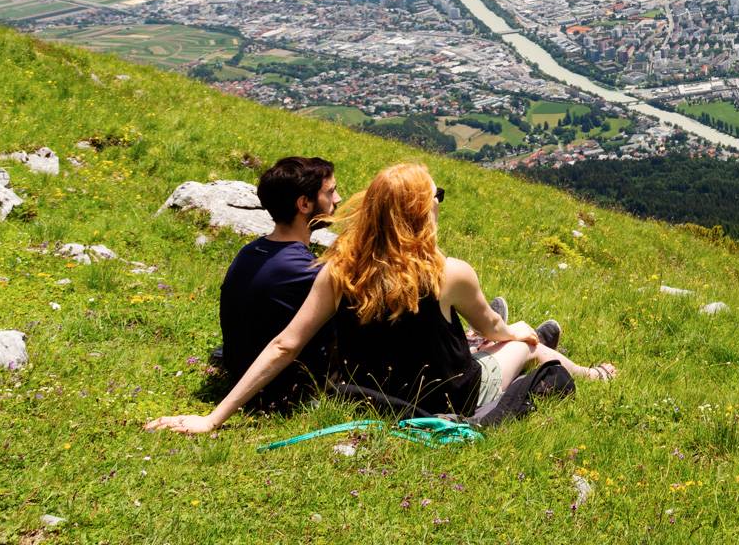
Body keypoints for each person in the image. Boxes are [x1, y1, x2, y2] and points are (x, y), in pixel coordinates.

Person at [148, 162, 613, 434]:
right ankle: (591, 373)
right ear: (419, 209)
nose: (438, 203)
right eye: (437, 196)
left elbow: (285, 345)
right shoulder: (449, 273)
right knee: (519, 344)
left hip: (370, 395)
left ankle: (529, 346)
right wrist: (513, 333)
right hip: (448, 396)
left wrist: (213, 418)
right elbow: (496, 329)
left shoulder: (337, 269)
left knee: (493, 336)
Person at [216, 156, 340, 410]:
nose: (337, 200)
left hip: (239, 374)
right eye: (330, 192)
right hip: (286, 393)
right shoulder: (306, 271)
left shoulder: (250, 251)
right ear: (304, 204)